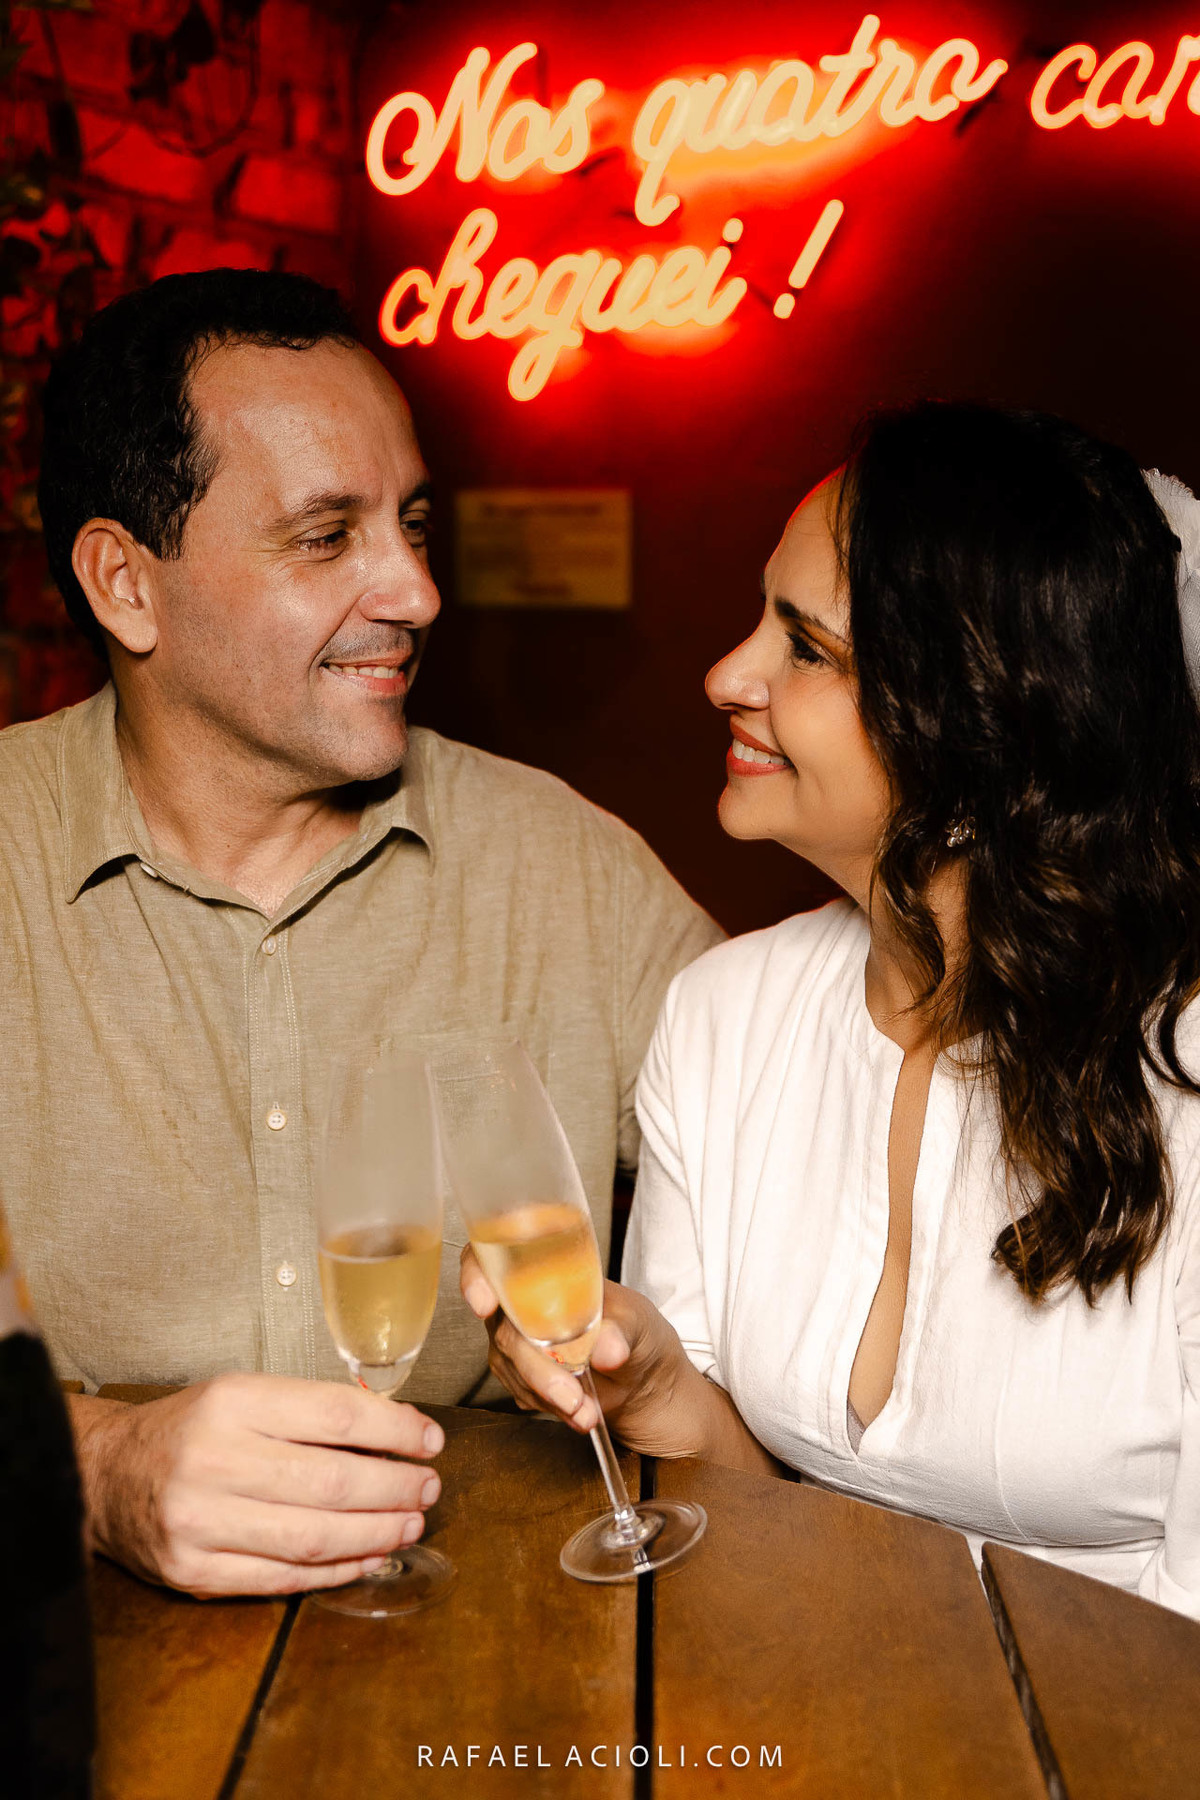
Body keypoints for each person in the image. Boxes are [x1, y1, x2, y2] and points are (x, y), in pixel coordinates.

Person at [3, 268, 721, 1597]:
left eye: (413, 524)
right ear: (125, 585)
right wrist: (95, 1469)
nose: (418, 592)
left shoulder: (563, 864)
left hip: (499, 1635)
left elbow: (818, 1203)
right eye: (327, 536)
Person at [465, 401, 1200, 1618]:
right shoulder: (723, 1016)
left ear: (976, 730)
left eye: (805, 648)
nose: (726, 675)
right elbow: (733, 1528)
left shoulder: (1183, 1073)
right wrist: (657, 1390)